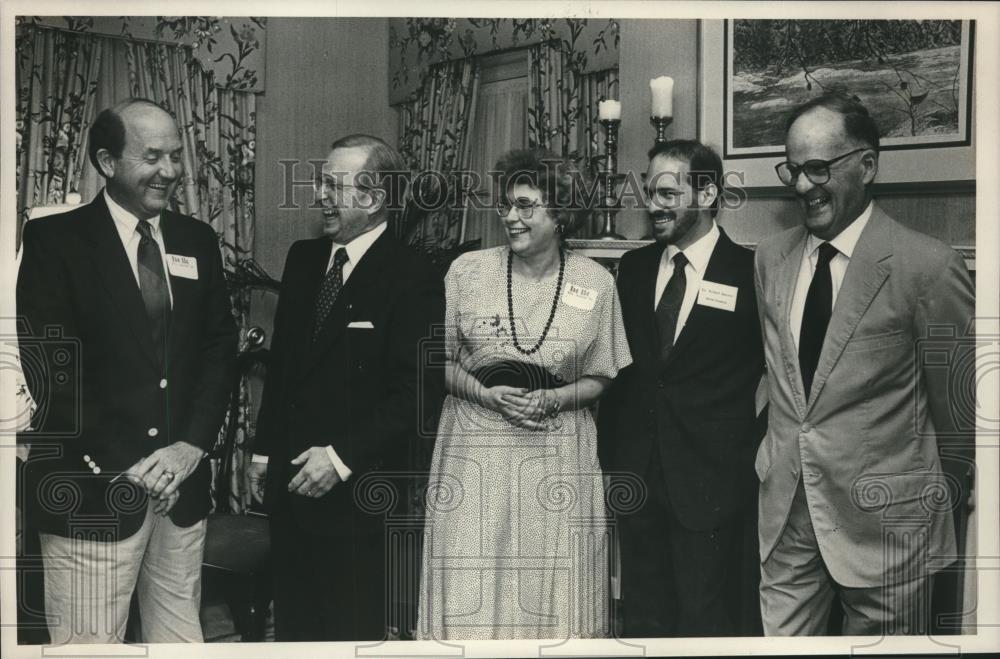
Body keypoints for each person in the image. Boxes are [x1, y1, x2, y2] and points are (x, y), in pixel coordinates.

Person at [16, 98, 238, 643]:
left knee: (181, 637)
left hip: (179, 489)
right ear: (107, 162)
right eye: (152, 156)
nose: (170, 171)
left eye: (177, 156)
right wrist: (127, 467)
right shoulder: (54, 242)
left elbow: (218, 349)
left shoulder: (196, 241)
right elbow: (51, 369)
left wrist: (188, 448)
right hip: (92, 487)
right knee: (88, 645)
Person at [754, 92, 975, 635]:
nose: (803, 185)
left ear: (867, 164)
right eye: (793, 170)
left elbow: (960, 413)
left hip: (888, 529)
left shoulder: (928, 265)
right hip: (787, 514)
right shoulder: (771, 258)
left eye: (818, 168)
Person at [417, 149, 632, 640]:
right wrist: (485, 395)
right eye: (507, 205)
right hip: (475, 448)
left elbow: (604, 375)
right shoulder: (466, 272)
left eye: (526, 205)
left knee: (550, 580)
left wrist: (554, 400)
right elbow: (437, 361)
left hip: (557, 451)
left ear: (560, 215)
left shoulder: (595, 282)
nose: (510, 217)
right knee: (471, 573)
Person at [249, 134, 445, 641]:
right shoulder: (303, 258)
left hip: (357, 498)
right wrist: (263, 452)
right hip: (290, 488)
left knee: (349, 636)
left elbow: (416, 392)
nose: (321, 196)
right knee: (295, 632)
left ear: (374, 199)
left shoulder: (412, 274)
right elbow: (284, 366)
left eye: (334, 186)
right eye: (322, 183)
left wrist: (338, 458)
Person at [598, 139, 764, 636]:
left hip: (711, 483)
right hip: (638, 479)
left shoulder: (750, 273)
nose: (653, 204)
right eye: (650, 192)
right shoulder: (634, 268)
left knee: (705, 619)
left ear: (708, 193)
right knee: (643, 616)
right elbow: (623, 374)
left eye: (667, 192)